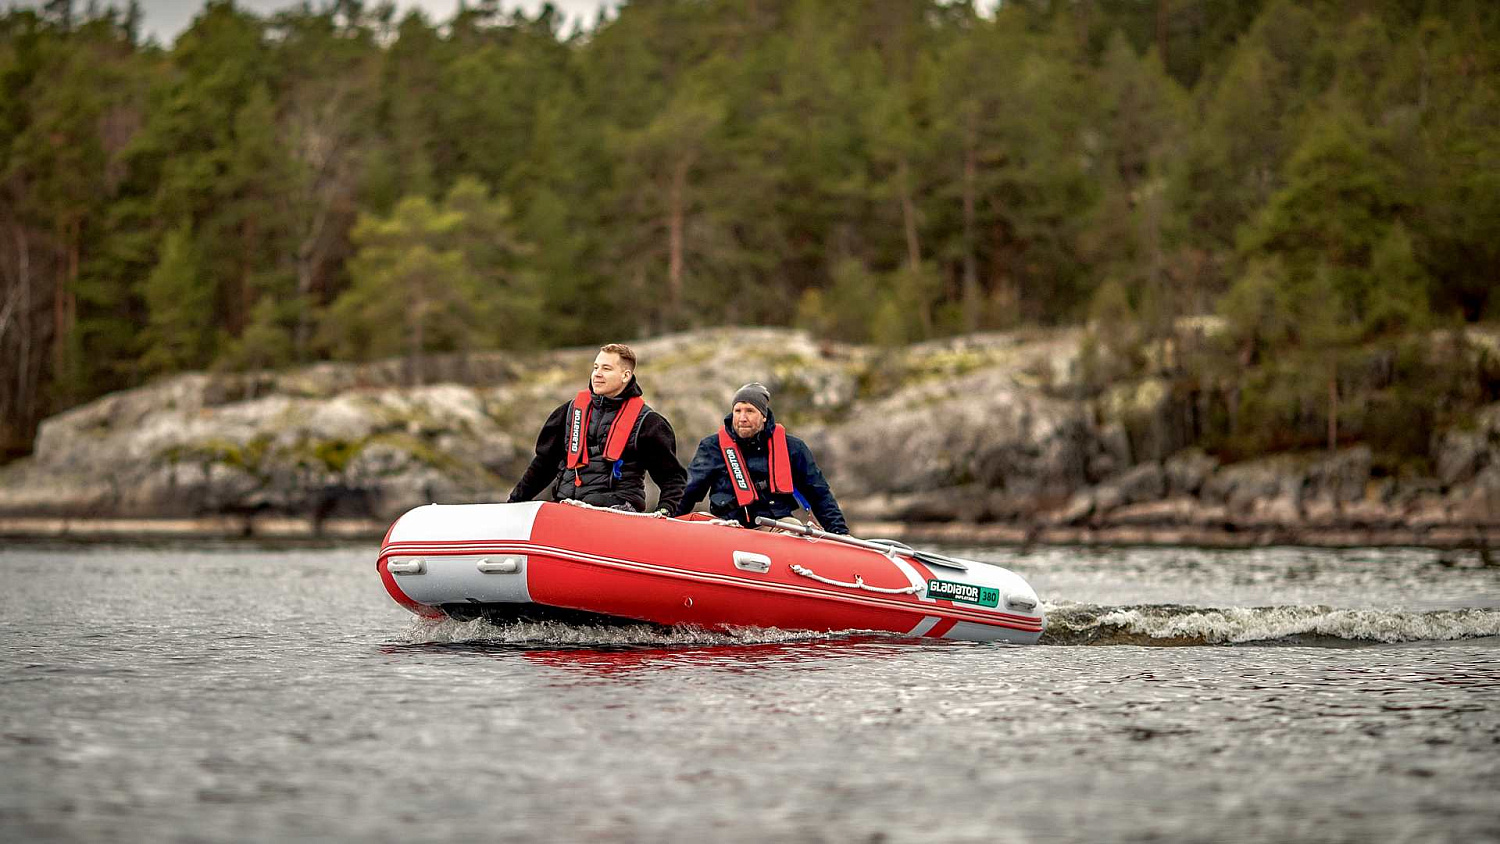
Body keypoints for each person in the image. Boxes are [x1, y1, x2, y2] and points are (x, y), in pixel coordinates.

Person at [508, 343, 686, 513]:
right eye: (595, 367)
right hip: (567, 507)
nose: (597, 374)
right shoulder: (568, 412)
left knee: (593, 505)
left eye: (606, 369)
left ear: (625, 376)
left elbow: (672, 478)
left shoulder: (649, 423)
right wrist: (512, 504)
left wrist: (665, 511)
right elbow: (543, 466)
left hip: (616, 511)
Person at [675, 382, 848, 533]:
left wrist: (839, 531)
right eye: (738, 411)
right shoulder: (712, 446)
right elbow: (689, 490)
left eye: (750, 411)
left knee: (793, 528)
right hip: (727, 527)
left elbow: (819, 494)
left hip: (774, 526)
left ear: (764, 416)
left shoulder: (793, 448)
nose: (742, 418)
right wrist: (668, 517)